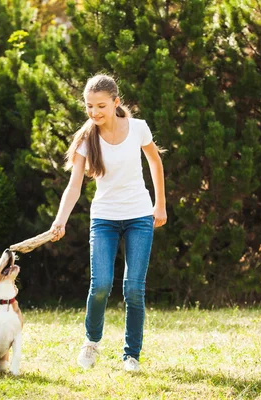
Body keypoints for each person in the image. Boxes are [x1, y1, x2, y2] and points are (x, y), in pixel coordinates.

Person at [50, 74, 167, 372]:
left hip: (139, 216)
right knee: (101, 284)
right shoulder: (87, 139)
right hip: (104, 218)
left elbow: (155, 161)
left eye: (100, 105)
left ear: (116, 102)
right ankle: (91, 343)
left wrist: (160, 204)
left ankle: (132, 355)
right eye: (89, 106)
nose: (94, 112)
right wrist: (60, 220)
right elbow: (74, 186)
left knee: (133, 289)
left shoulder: (138, 128)